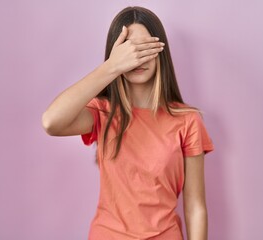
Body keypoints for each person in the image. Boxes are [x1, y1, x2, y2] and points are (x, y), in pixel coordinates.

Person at [42, 6, 214, 240]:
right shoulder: (103, 113)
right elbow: (52, 122)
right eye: (129, 50)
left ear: (160, 50)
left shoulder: (187, 121)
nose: (137, 58)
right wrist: (112, 67)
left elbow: (195, 207)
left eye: (145, 48)